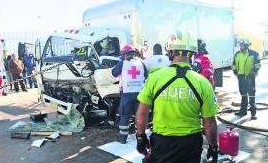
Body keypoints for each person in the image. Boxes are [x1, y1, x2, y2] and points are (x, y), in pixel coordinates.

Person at [135, 29, 218, 163]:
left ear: (170, 51)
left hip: (162, 144)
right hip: (191, 145)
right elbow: (209, 123)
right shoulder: (203, 83)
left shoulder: (154, 78)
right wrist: (213, 147)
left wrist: (140, 136)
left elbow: (141, 114)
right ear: (193, 53)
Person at [112, 44, 148, 144]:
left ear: (124, 54)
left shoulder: (122, 62)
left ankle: (122, 138)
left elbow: (114, 73)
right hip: (139, 93)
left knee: (125, 115)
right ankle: (139, 137)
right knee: (138, 115)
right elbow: (146, 75)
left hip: (126, 94)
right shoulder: (141, 62)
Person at [233, 38, 261, 120]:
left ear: (247, 45)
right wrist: (235, 73)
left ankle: (253, 113)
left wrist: (253, 74)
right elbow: (234, 64)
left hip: (250, 77)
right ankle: (243, 111)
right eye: (240, 45)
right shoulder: (237, 54)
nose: (241, 46)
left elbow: (258, 65)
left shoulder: (254, 54)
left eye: (242, 45)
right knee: (243, 94)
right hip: (241, 77)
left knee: (252, 95)